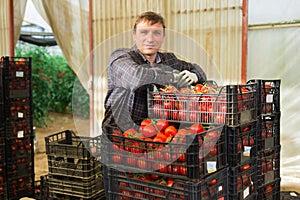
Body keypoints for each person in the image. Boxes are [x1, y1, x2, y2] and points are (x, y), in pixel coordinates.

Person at [102, 11, 207, 133]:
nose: (150, 39)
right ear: (134, 35)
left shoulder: (169, 60)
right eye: (144, 32)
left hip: (158, 133)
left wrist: (194, 75)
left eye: (156, 33)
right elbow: (138, 78)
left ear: (163, 37)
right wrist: (173, 77)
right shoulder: (120, 58)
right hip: (120, 134)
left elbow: (199, 71)